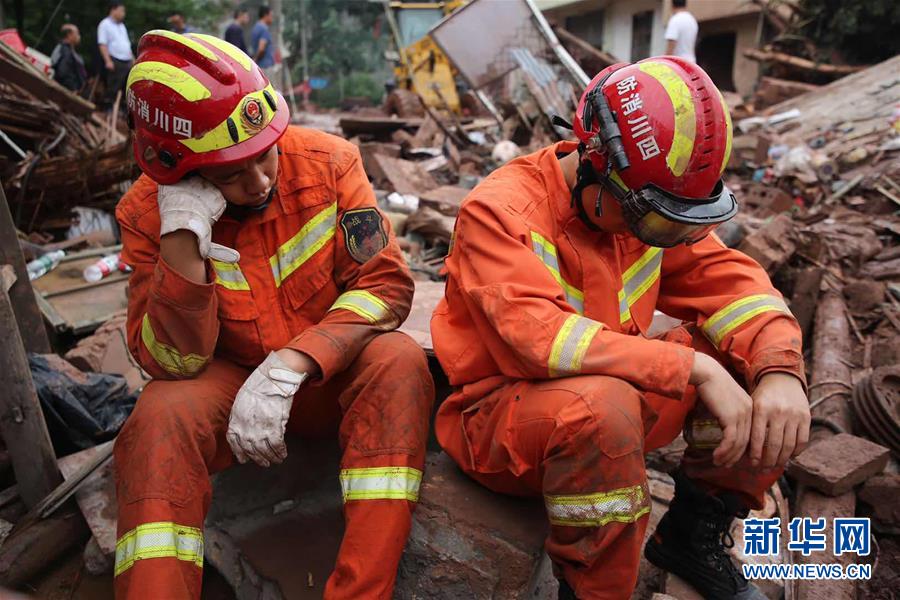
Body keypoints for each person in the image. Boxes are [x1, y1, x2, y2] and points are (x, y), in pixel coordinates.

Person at [431, 57, 810, 600]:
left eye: (682, 220)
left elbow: (736, 288)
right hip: (504, 426)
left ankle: (691, 535)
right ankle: (593, 591)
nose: (666, 235)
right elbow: (540, 340)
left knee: (749, 361)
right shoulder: (500, 212)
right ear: (594, 161)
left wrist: (779, 372)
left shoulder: (638, 200)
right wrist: (692, 367)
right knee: (602, 408)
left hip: (614, 407)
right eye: (661, 221)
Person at [114, 30, 433, 599]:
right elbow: (171, 362)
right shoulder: (146, 214)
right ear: (179, 171)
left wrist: (296, 360)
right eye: (233, 174)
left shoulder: (330, 164)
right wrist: (183, 241)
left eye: (266, 154)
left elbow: (384, 285)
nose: (260, 182)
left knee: (399, 360)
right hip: (228, 385)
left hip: (329, 375)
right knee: (159, 417)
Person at [97, 1, 133, 108]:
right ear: (113, 10)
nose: (123, 13)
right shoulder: (105, 24)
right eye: (121, 10)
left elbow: (127, 44)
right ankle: (106, 108)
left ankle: (121, 110)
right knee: (113, 87)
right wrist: (108, 61)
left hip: (127, 60)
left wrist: (133, 59)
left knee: (127, 87)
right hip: (115, 59)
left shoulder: (122, 26)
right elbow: (102, 43)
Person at [51, 24, 86, 93]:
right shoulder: (65, 51)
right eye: (77, 33)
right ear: (69, 35)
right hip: (63, 91)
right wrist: (73, 88)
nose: (79, 36)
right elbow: (63, 72)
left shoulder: (65, 49)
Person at [250, 5, 275, 79]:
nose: (272, 18)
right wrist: (255, 59)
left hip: (259, 67)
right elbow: (261, 48)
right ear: (265, 15)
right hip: (265, 67)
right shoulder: (264, 29)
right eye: (271, 16)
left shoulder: (255, 27)